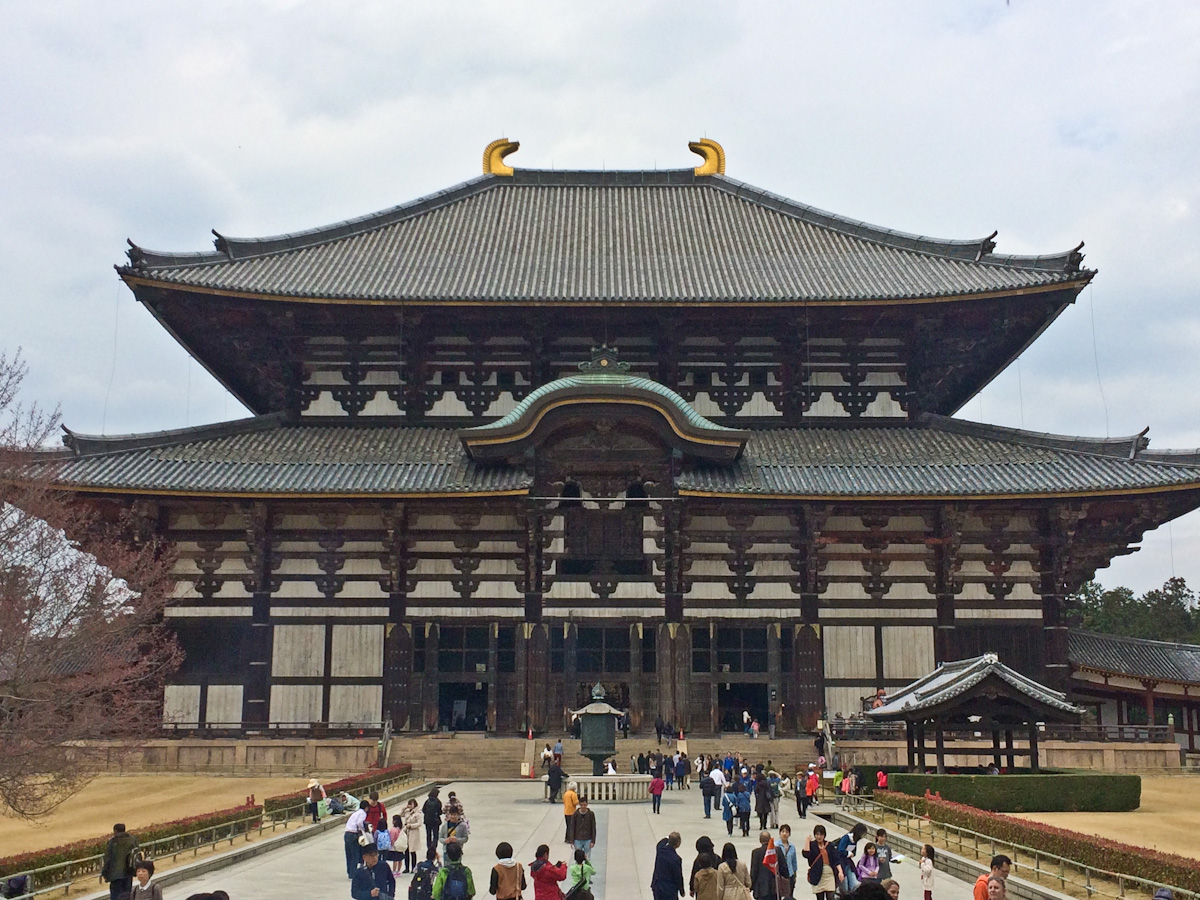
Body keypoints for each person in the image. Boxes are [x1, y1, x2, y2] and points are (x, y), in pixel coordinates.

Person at [801, 825, 842, 900]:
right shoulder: (812, 845)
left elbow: (836, 859)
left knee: (831, 896)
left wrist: (840, 871)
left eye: (821, 834)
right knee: (820, 898)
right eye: (817, 834)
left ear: (824, 835)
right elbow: (806, 854)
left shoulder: (829, 845)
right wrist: (807, 841)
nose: (819, 837)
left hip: (829, 874)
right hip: (817, 874)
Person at [102, 824, 139, 900]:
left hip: (115, 874)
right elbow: (136, 854)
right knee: (127, 895)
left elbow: (107, 859)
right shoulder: (132, 840)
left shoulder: (112, 842)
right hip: (129, 872)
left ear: (115, 831)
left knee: (116, 896)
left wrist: (104, 872)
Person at [750, 831, 788, 900]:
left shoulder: (756, 852)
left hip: (761, 888)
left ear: (760, 840)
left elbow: (754, 871)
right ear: (770, 839)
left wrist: (751, 886)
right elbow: (784, 868)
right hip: (775, 886)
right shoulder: (777, 850)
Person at [651, 832, 686, 900]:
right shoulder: (676, 859)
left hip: (657, 886)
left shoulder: (660, 849)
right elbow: (678, 876)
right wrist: (681, 890)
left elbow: (661, 842)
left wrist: (668, 837)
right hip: (669, 891)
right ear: (678, 844)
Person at [834, 824, 867, 894]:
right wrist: (848, 853)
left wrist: (851, 854)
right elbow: (840, 849)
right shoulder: (846, 838)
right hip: (842, 863)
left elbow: (854, 852)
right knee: (844, 887)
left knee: (854, 884)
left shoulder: (855, 840)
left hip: (848, 863)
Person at [345, 803, 369, 880]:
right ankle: (353, 873)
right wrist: (363, 829)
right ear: (366, 808)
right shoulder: (363, 813)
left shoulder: (355, 813)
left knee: (349, 854)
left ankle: (349, 871)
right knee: (355, 854)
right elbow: (359, 822)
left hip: (347, 833)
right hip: (353, 834)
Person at [404, 799, 424, 874]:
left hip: (413, 832)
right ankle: (406, 867)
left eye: (411, 804)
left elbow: (419, 823)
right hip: (406, 832)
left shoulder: (417, 813)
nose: (410, 805)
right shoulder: (407, 811)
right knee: (406, 850)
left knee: (412, 851)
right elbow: (400, 814)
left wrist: (411, 826)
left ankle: (413, 867)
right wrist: (405, 808)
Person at [777, 825, 798, 900]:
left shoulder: (792, 846)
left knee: (789, 895)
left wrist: (794, 874)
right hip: (779, 874)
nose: (784, 834)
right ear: (780, 833)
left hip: (790, 873)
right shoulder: (775, 845)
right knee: (778, 894)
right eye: (783, 832)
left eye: (787, 832)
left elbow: (794, 862)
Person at [424, 790, 444, 856]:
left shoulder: (427, 801)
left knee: (428, 835)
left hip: (427, 821)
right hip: (435, 821)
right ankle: (434, 848)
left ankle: (429, 848)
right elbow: (440, 812)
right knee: (435, 835)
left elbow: (423, 810)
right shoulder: (438, 802)